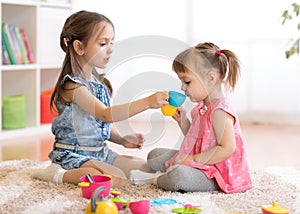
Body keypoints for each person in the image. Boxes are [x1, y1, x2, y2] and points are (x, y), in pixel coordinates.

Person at [32, 10, 168, 188]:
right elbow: (105, 114)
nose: (110, 49)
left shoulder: (99, 84)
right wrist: (147, 102)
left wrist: (122, 140)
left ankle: (150, 176)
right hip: (73, 154)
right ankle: (57, 174)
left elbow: (97, 124)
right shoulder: (73, 86)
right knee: (113, 179)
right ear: (79, 47)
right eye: (103, 43)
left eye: (112, 42)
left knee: (144, 167)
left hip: (101, 152)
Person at [130, 42, 253, 194]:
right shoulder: (202, 108)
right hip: (201, 161)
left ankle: (154, 179)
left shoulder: (220, 112)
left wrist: (193, 160)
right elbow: (197, 139)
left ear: (211, 78)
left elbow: (227, 148)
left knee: (178, 175)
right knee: (154, 156)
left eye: (187, 81)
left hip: (218, 173)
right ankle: (167, 175)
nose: (182, 87)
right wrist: (183, 122)